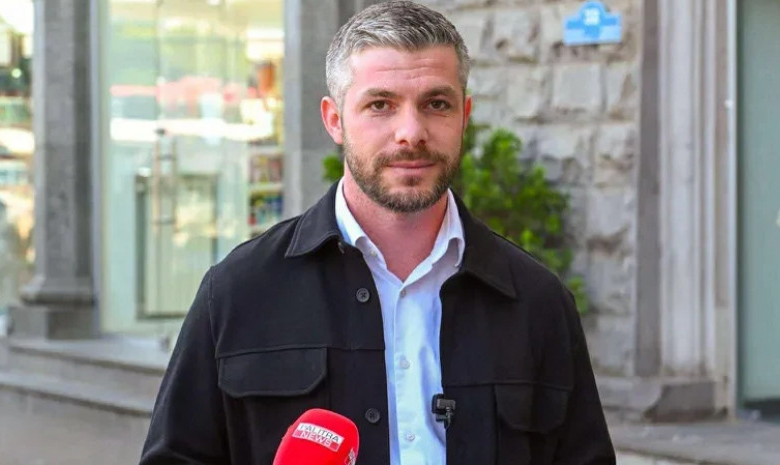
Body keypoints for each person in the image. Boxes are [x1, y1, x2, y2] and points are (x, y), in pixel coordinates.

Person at [139, 2, 616, 464]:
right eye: (381, 105)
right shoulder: (238, 292)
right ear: (334, 120)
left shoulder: (537, 301)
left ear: (464, 117)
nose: (411, 132)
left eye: (436, 104)